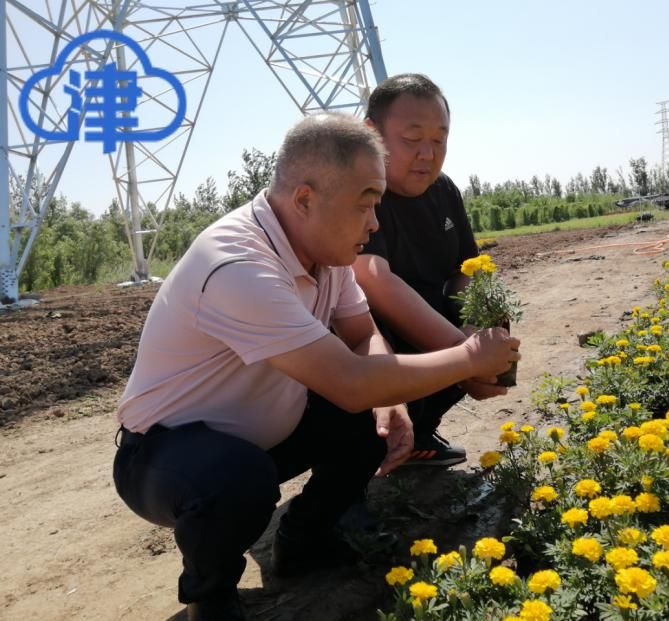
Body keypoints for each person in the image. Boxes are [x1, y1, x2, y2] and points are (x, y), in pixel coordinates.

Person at [112, 114, 519, 621]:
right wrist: (468, 357)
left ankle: (304, 538)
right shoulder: (239, 265)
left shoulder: (326, 254)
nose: (375, 222)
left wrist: (389, 402)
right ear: (305, 199)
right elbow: (349, 382)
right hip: (165, 456)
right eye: (366, 203)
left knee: (371, 418)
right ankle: (209, 596)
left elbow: (361, 333)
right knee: (237, 481)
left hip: (265, 430)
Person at [355, 74, 503, 467]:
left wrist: (478, 325)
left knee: (493, 318)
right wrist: (465, 354)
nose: (428, 153)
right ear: (373, 134)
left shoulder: (444, 191)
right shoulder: (362, 193)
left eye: (439, 139)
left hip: (432, 327)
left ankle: (420, 433)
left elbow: (465, 271)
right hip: (374, 333)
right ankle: (367, 454)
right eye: (412, 138)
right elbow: (372, 278)